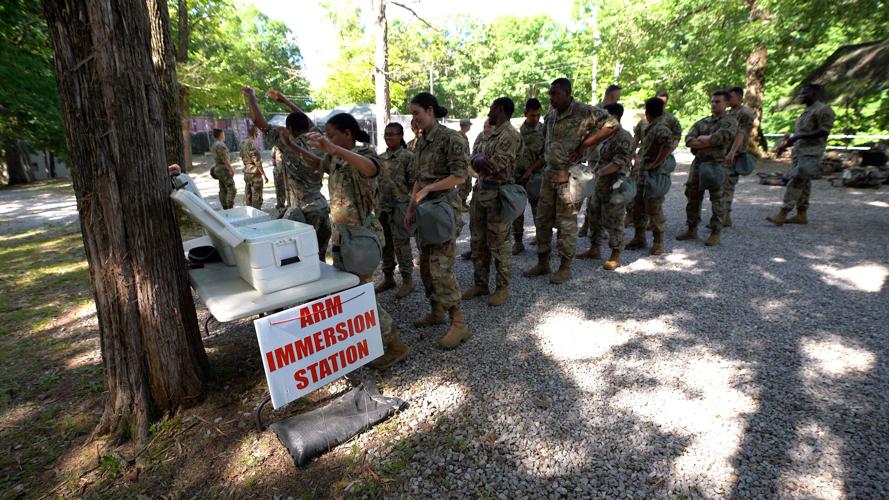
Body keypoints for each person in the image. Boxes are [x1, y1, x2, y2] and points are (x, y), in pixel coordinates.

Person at [284, 112, 409, 370]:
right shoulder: (334, 157)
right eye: (328, 136)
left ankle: (394, 344)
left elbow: (370, 169)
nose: (328, 139)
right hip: (343, 235)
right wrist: (294, 146)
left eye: (332, 135)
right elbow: (317, 163)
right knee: (349, 290)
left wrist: (333, 148)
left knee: (358, 292)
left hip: (361, 236)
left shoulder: (365, 153)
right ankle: (367, 340)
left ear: (347, 134)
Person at [523, 78, 619, 284]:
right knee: (542, 220)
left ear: (568, 93)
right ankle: (543, 262)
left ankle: (565, 267)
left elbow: (612, 124)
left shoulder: (584, 111)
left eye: (555, 94)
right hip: (549, 175)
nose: (551, 98)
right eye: (550, 94)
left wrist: (586, 144)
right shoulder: (551, 115)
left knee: (566, 224)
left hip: (569, 177)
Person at [404, 92, 471, 349]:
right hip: (424, 211)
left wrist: (429, 189)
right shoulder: (421, 142)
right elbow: (418, 179)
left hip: (442, 209)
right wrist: (411, 208)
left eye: (417, 113)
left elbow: (460, 177)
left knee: (440, 268)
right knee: (425, 266)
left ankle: (459, 323)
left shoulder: (451, 138)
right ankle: (437, 311)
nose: (414, 118)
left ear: (430, 111)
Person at [242, 87, 332, 260]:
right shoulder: (318, 139)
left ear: (290, 128)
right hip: (320, 206)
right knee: (319, 257)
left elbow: (259, 122)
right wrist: (284, 100)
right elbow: (304, 118)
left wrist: (251, 96)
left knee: (304, 257)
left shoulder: (289, 144)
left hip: (303, 210)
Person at [461, 97, 523, 306]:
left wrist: (480, 160)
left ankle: (502, 288)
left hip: (498, 195)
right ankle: (480, 284)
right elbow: (472, 159)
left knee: (499, 244)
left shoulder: (510, 135)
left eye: (492, 108)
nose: (489, 112)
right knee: (478, 241)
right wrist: (478, 160)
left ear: (501, 110)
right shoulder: (489, 134)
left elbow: (494, 166)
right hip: (481, 193)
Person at [767, 84, 835, 225]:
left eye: (805, 93)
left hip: (812, 153)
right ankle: (801, 214)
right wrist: (784, 146)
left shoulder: (823, 110)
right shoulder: (806, 111)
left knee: (796, 179)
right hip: (799, 152)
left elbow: (824, 131)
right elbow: (800, 134)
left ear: (814, 94)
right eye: (801, 93)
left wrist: (798, 137)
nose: (801, 96)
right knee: (804, 182)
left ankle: (783, 213)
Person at [576, 103, 633, 270]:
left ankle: (616, 254)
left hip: (615, 185)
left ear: (614, 117)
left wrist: (599, 172)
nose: (601, 121)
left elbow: (619, 162)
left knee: (614, 218)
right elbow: (600, 159)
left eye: (605, 117)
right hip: (600, 184)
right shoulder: (607, 136)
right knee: (594, 214)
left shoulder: (624, 136)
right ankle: (595, 249)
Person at [679, 90, 738, 247]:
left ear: (726, 103)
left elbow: (723, 137)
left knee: (717, 198)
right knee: (692, 196)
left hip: (716, 164)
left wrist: (705, 139)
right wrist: (706, 141)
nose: (714, 104)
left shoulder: (730, 121)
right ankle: (691, 228)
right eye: (712, 101)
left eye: (718, 102)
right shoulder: (702, 122)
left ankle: (715, 232)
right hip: (698, 164)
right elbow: (689, 139)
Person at [626, 97, 681, 255]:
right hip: (643, 171)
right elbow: (638, 141)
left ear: (647, 112)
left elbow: (668, 145)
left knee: (653, 205)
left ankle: (658, 242)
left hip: (654, 173)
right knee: (638, 204)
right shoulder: (651, 125)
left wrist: (657, 162)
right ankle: (639, 237)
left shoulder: (661, 128)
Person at [375, 122, 417, 299]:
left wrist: (411, 208)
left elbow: (414, 184)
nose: (388, 137)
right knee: (385, 243)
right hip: (382, 207)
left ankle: (407, 280)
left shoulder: (408, 157)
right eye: (386, 134)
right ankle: (388, 277)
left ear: (400, 136)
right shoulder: (380, 158)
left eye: (392, 134)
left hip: (401, 207)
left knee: (401, 244)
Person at [579, 83, 623, 237]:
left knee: (603, 193)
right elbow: (585, 132)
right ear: (611, 95)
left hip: (609, 158)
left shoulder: (615, 111)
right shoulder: (595, 111)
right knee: (591, 192)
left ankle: (598, 226)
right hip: (595, 157)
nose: (619, 99)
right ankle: (587, 224)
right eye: (618, 96)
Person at [717, 86, 755, 228]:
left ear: (739, 97)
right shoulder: (729, 113)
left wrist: (733, 151)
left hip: (734, 154)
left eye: (730, 97)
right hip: (724, 153)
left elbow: (742, 133)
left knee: (727, 185)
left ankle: (724, 216)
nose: (727, 99)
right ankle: (724, 216)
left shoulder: (745, 113)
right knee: (721, 184)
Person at [512, 98, 545, 255]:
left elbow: (545, 155)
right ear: (526, 114)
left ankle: (541, 239)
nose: (536, 118)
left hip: (536, 176)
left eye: (538, 115)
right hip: (519, 176)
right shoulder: (518, 132)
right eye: (533, 115)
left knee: (538, 210)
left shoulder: (544, 130)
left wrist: (530, 171)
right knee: (517, 210)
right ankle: (518, 242)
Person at [460, 119, 494, 260]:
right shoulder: (481, 136)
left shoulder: (501, 140)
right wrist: (475, 172)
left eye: (489, 126)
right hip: (480, 186)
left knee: (492, 224)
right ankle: (475, 249)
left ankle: (490, 252)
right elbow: (472, 157)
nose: (486, 129)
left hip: (493, 188)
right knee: (475, 222)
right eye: (484, 126)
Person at [239, 125, 268, 210]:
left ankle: (247, 212)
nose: (258, 133)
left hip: (246, 171)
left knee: (248, 194)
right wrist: (264, 175)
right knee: (256, 196)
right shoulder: (252, 143)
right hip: (254, 172)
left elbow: (242, 156)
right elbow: (257, 162)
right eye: (257, 131)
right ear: (254, 133)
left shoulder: (242, 143)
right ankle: (257, 213)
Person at [455, 118, 473, 244]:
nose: (470, 127)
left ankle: (463, 202)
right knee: (462, 186)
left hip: (467, 164)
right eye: (469, 125)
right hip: (462, 165)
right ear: (465, 126)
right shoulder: (458, 136)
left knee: (468, 185)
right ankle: (460, 203)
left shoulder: (464, 136)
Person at [210, 128, 236, 209]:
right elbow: (224, 159)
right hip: (223, 169)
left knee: (223, 189)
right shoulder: (221, 145)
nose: (224, 135)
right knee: (231, 188)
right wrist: (230, 169)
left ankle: (225, 207)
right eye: (223, 134)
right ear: (221, 135)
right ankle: (230, 208)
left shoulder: (214, 145)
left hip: (217, 168)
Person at [271, 145, 288, 217]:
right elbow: (273, 159)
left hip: (286, 171)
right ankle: (280, 205)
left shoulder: (278, 146)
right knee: (279, 189)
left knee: (287, 189)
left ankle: (288, 205)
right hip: (279, 171)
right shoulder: (276, 147)